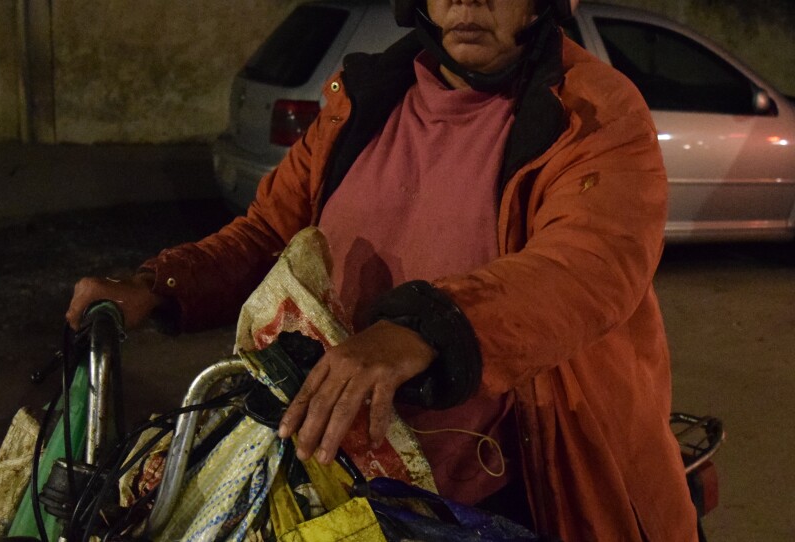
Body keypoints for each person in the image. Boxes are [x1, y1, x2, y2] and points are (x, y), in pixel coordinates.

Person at [67, 0, 699, 540]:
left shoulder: (593, 113)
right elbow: (267, 234)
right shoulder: (363, 100)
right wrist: (157, 286)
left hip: (510, 484)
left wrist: (423, 329)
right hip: (343, 477)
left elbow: (588, 267)